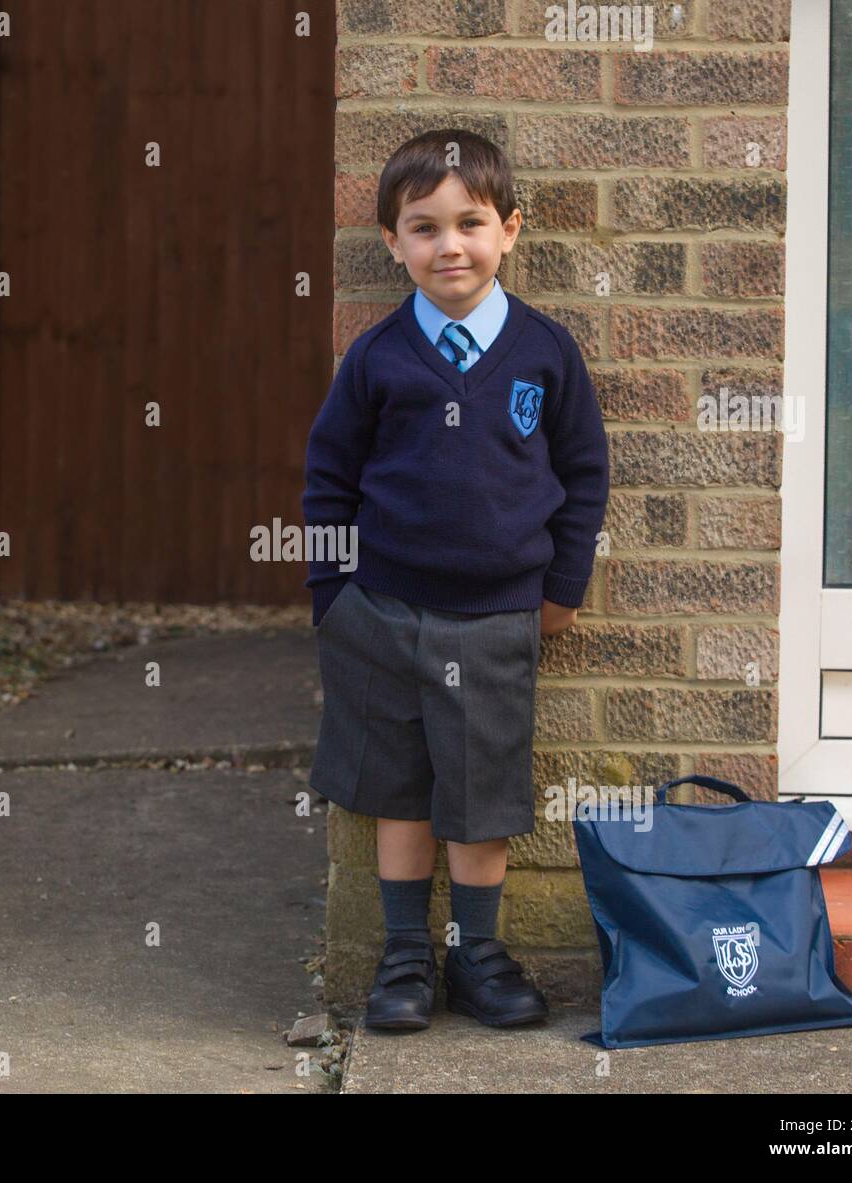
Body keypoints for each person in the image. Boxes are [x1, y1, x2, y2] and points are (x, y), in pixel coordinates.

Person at [303, 128, 609, 1030]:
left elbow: (584, 476)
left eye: (470, 223)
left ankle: (477, 952)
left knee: (479, 793)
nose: (450, 246)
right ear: (393, 243)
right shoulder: (378, 357)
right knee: (397, 785)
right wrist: (333, 597)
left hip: (496, 617)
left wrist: (561, 589)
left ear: (509, 230)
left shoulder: (545, 354)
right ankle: (404, 957)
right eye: (424, 228)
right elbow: (330, 478)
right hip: (380, 611)